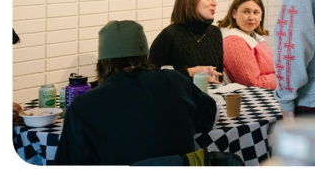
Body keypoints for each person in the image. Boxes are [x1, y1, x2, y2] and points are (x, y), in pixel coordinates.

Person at [54, 21, 217, 167]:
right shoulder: (175, 80)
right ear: (146, 57)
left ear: (100, 64)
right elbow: (207, 116)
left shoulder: (83, 106)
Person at [149, 0, 224, 84]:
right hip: (178, 96)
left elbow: (219, 71)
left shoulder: (215, 32)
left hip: (209, 95)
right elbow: (152, 77)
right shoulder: (170, 34)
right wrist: (190, 72)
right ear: (189, 3)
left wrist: (214, 77)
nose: (215, 3)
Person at [219, 0, 274, 89]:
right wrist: (283, 79)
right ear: (234, 13)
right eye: (246, 12)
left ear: (261, 15)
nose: (251, 17)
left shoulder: (254, 37)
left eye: (256, 12)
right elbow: (252, 84)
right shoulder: (234, 41)